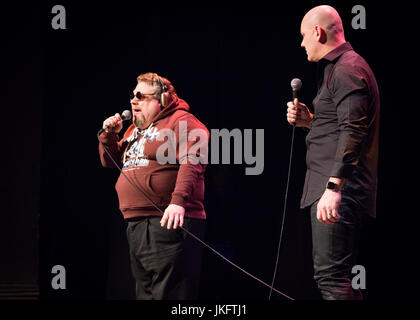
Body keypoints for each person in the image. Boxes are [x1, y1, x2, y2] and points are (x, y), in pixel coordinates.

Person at [286, 5, 380, 299]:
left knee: (333, 278)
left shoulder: (348, 69)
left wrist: (333, 185)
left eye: (303, 36)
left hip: (338, 187)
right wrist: (309, 122)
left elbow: (354, 131)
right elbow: (340, 126)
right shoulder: (336, 69)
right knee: (334, 277)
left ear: (317, 32)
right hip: (332, 185)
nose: (302, 43)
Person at [98, 72, 209, 300]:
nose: (133, 101)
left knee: (170, 293)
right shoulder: (133, 131)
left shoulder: (182, 121)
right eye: (132, 95)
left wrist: (178, 201)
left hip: (168, 220)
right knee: (146, 294)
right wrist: (109, 136)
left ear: (163, 100)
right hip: (137, 223)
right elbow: (110, 161)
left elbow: (193, 161)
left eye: (141, 96)